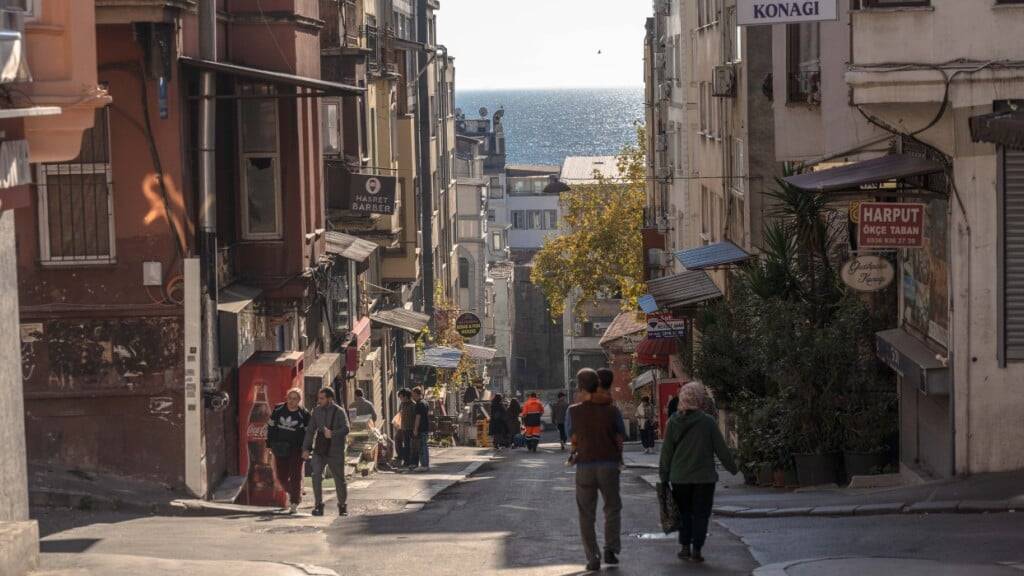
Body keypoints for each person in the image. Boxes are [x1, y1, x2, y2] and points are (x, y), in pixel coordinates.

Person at [659, 382, 738, 564]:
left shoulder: (673, 422)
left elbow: (666, 453)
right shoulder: (708, 422)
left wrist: (664, 476)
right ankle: (697, 549)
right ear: (700, 399)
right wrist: (733, 468)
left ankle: (685, 546)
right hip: (704, 478)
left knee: (685, 513)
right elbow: (722, 449)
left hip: (680, 478)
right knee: (701, 514)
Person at [569, 368, 624, 572]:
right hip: (609, 464)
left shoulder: (573, 411)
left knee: (586, 513)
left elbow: (570, 433)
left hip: (584, 465)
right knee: (612, 507)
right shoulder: (612, 410)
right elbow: (621, 433)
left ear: (580, 386)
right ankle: (611, 549)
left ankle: (593, 557)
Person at [302, 387, 351, 517]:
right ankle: (318, 505)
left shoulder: (339, 411)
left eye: (322, 398)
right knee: (316, 475)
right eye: (319, 398)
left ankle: (342, 506)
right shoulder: (316, 411)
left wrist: (333, 434)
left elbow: (346, 429)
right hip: (320, 449)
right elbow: (310, 431)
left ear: (330, 399)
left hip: (335, 450)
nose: (319, 401)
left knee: (339, 478)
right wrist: (306, 448)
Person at [267, 388, 310, 514]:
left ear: (299, 400)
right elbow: (271, 427)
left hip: (297, 449)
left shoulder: (304, 414)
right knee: (281, 477)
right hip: (280, 448)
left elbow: (309, 433)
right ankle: (295, 493)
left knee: (295, 476)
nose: (292, 401)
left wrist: (307, 449)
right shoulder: (278, 410)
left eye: (295, 398)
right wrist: (269, 444)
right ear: (286, 398)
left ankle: (294, 502)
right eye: (290, 398)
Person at [411, 387, 431, 471]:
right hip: (425, 427)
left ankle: (424, 465)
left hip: (421, 428)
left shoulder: (419, 404)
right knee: (424, 446)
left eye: (413, 395)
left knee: (422, 447)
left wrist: (415, 429)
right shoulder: (425, 403)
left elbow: (418, 417)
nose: (412, 397)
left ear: (417, 394)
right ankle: (425, 464)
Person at [397, 388, 416, 467]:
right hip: (403, 428)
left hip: (412, 428)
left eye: (401, 397)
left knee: (412, 446)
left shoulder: (413, 405)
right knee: (404, 444)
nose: (400, 399)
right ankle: (405, 460)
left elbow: (416, 417)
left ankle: (412, 462)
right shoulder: (401, 404)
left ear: (406, 396)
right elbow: (399, 414)